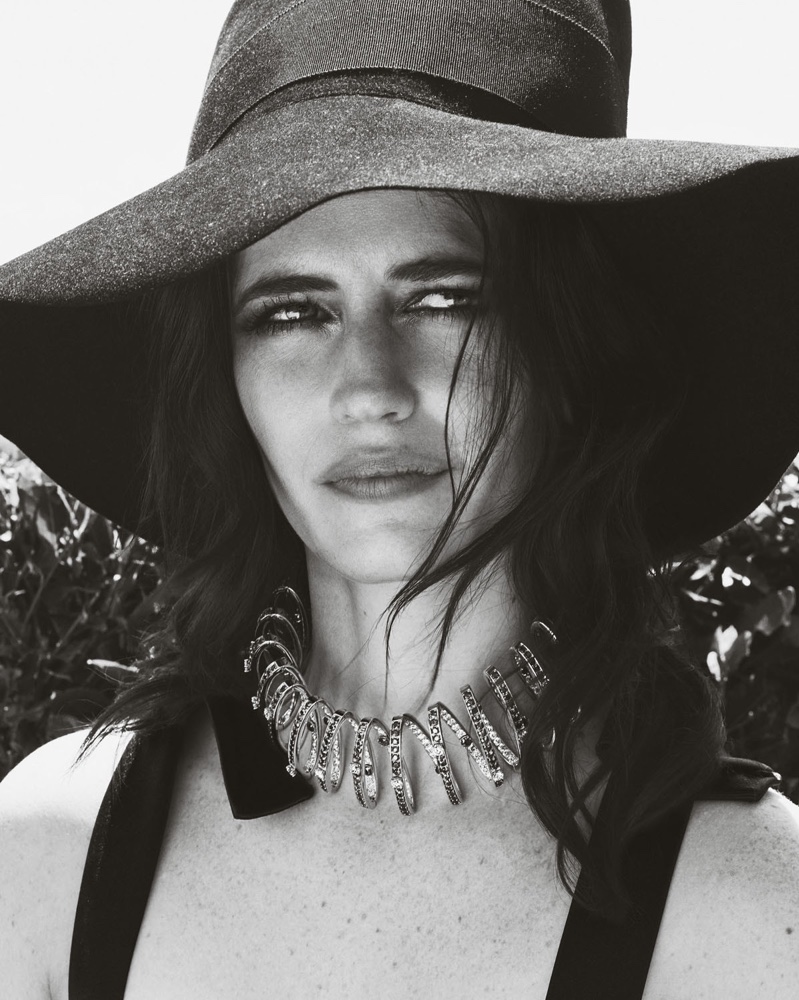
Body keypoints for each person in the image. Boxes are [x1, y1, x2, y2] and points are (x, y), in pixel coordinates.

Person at [1, 1, 799, 998]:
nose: (369, 390)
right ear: (226, 381)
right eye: (291, 313)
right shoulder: (51, 855)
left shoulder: (755, 911)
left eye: (445, 297)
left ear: (571, 354)